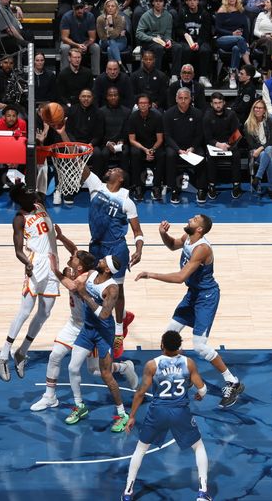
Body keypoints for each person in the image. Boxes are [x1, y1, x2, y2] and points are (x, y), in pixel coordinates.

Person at [136, 215, 245, 408]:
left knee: (200, 346)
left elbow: (180, 277)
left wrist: (150, 274)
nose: (189, 219)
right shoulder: (188, 237)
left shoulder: (202, 248)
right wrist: (163, 234)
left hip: (206, 297)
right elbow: (171, 245)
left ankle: (232, 382)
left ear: (200, 229)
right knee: (168, 335)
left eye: (194, 220)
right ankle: (178, 372)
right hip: (193, 293)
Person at [32, 229, 138, 412]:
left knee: (95, 371)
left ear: (80, 267)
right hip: (74, 324)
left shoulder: (83, 279)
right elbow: (75, 251)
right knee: (55, 356)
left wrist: (55, 270)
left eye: (74, 259)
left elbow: (72, 286)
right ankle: (49, 397)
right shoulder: (82, 269)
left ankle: (123, 368)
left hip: (91, 327)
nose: (71, 257)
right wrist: (62, 237)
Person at [121, 330, 212, 501]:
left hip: (158, 411)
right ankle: (202, 492)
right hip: (180, 411)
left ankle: (127, 492)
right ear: (180, 346)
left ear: (162, 345)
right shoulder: (189, 363)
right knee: (198, 447)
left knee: (140, 449)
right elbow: (202, 388)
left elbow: (140, 393)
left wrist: (132, 416)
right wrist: (200, 393)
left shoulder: (152, 365)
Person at [0, 184, 60, 383]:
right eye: (26, 194)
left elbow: (36, 190)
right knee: (25, 310)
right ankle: (3, 354)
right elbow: (18, 250)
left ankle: (22, 352)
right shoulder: (19, 219)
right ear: (20, 200)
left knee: (45, 312)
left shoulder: (39, 203)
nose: (32, 195)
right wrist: (28, 264)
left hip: (53, 261)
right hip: (36, 262)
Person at [79, 164, 143, 354]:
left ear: (120, 177)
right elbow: (78, 162)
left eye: (115, 169)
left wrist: (139, 250)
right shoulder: (96, 185)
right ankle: (96, 327)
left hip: (116, 248)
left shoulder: (126, 201)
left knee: (118, 290)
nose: (110, 169)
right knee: (93, 285)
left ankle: (118, 332)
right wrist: (64, 134)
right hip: (96, 245)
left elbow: (137, 231)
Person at [64, 253, 131, 432]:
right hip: (87, 329)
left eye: (103, 260)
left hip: (103, 333)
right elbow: (77, 259)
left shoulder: (112, 289)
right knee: (72, 367)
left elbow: (104, 314)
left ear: (107, 269)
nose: (99, 260)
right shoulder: (92, 273)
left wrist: (86, 296)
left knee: (105, 375)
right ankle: (80, 406)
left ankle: (122, 414)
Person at [163, 87, 205, 204]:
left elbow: (199, 135)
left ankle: (201, 189)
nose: (183, 100)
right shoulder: (169, 114)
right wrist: (178, 150)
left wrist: (192, 148)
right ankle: (174, 189)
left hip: (192, 146)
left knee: (201, 155)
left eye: (186, 98)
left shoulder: (197, 113)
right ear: (176, 99)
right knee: (170, 155)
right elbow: (167, 136)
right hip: (175, 146)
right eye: (180, 98)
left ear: (190, 99)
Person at [203, 91, 243, 199]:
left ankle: (236, 185)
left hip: (229, 144)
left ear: (224, 103)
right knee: (210, 158)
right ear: (211, 104)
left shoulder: (231, 114)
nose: (218, 105)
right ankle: (211, 185)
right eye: (215, 103)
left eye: (220, 102)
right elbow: (207, 137)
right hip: (214, 144)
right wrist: (218, 145)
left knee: (236, 155)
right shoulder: (207, 116)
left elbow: (237, 133)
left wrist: (228, 144)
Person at [127, 93, 165, 201]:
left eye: (145, 103)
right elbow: (132, 140)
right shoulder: (132, 117)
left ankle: (157, 187)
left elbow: (160, 139)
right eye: (140, 103)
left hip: (154, 145)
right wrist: (145, 150)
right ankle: (138, 187)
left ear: (150, 105)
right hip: (139, 146)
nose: (143, 105)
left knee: (162, 154)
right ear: (137, 105)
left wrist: (152, 150)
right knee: (134, 153)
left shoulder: (157, 117)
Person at [171, 0, 213, 87]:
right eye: (189, 0)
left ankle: (203, 77)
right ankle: (184, 77)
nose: (192, 2)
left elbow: (206, 32)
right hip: (186, 40)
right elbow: (178, 28)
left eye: (194, 0)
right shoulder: (182, 12)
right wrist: (184, 33)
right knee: (185, 49)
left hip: (200, 40)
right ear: (186, 2)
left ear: (198, 1)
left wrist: (198, 43)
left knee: (205, 50)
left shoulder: (204, 13)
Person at [214, 0, 251, 89]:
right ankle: (250, 67)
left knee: (236, 48)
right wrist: (232, 33)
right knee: (239, 39)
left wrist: (246, 41)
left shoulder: (240, 10)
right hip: (222, 39)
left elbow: (246, 29)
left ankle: (232, 77)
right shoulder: (222, 10)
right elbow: (218, 29)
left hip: (238, 42)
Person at [244, 98, 272, 199]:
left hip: (271, 149)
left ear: (264, 110)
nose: (257, 110)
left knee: (269, 149)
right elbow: (251, 144)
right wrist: (260, 149)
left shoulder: (270, 121)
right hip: (257, 152)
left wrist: (261, 148)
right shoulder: (248, 124)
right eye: (255, 108)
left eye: (260, 108)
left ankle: (258, 177)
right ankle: (271, 189)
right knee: (271, 160)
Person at [60, 0, 101, 76]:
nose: (79, 10)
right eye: (77, 8)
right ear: (73, 8)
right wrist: (77, 45)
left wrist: (85, 45)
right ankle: (64, 75)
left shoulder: (90, 16)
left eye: (81, 8)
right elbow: (64, 38)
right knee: (64, 47)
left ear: (84, 7)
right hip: (71, 43)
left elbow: (92, 38)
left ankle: (95, 75)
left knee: (96, 47)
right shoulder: (66, 17)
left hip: (85, 43)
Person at [135, 0, 173, 71]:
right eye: (156, 1)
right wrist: (151, 38)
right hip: (150, 42)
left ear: (164, 3)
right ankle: (157, 73)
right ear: (152, 2)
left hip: (163, 41)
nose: (158, 3)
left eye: (161, 1)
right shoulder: (146, 16)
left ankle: (174, 75)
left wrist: (168, 40)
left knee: (178, 47)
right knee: (158, 48)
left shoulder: (168, 16)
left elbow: (168, 33)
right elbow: (138, 33)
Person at [97, 0, 129, 68]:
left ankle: (112, 69)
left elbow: (114, 35)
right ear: (105, 8)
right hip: (104, 41)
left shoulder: (121, 19)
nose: (110, 8)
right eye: (108, 6)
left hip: (120, 41)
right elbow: (101, 36)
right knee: (111, 41)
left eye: (112, 6)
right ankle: (120, 65)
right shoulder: (100, 19)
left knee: (110, 49)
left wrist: (110, 24)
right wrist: (115, 34)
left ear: (116, 8)